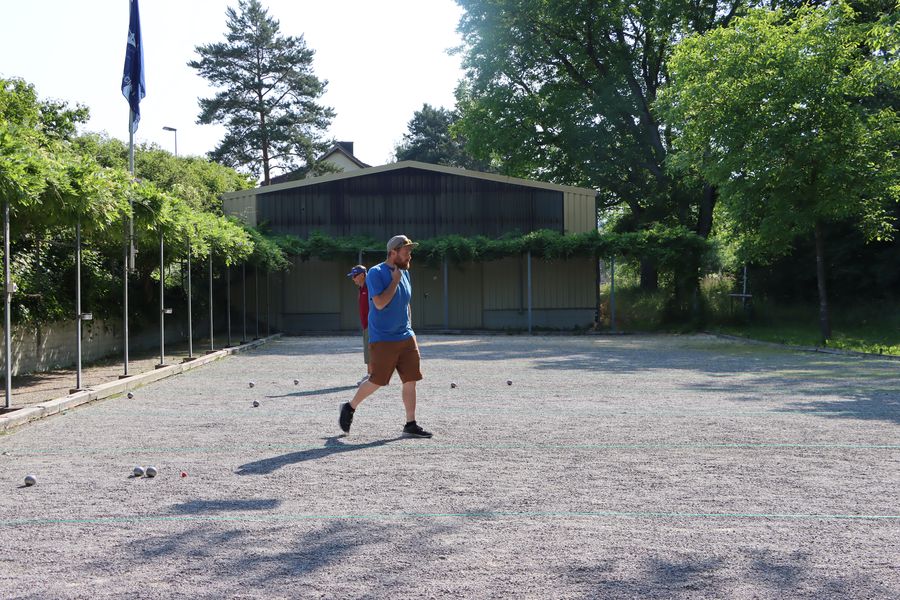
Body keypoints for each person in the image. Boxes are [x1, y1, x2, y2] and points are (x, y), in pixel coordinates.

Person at [339, 235, 432, 438]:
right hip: (383, 338)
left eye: (410, 251)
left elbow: (406, 302)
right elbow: (380, 303)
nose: (410, 255)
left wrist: (409, 326)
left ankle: (410, 423)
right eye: (406, 252)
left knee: (410, 380)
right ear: (393, 253)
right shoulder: (376, 273)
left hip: (406, 336)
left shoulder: (405, 273)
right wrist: (394, 282)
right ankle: (349, 407)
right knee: (378, 380)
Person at [346, 265, 373, 386]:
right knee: (369, 349)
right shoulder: (361, 288)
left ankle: (371, 376)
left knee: (371, 350)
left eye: (355, 276)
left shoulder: (370, 286)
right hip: (366, 324)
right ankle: (371, 375)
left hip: (372, 324)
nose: (353, 279)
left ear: (362, 275)